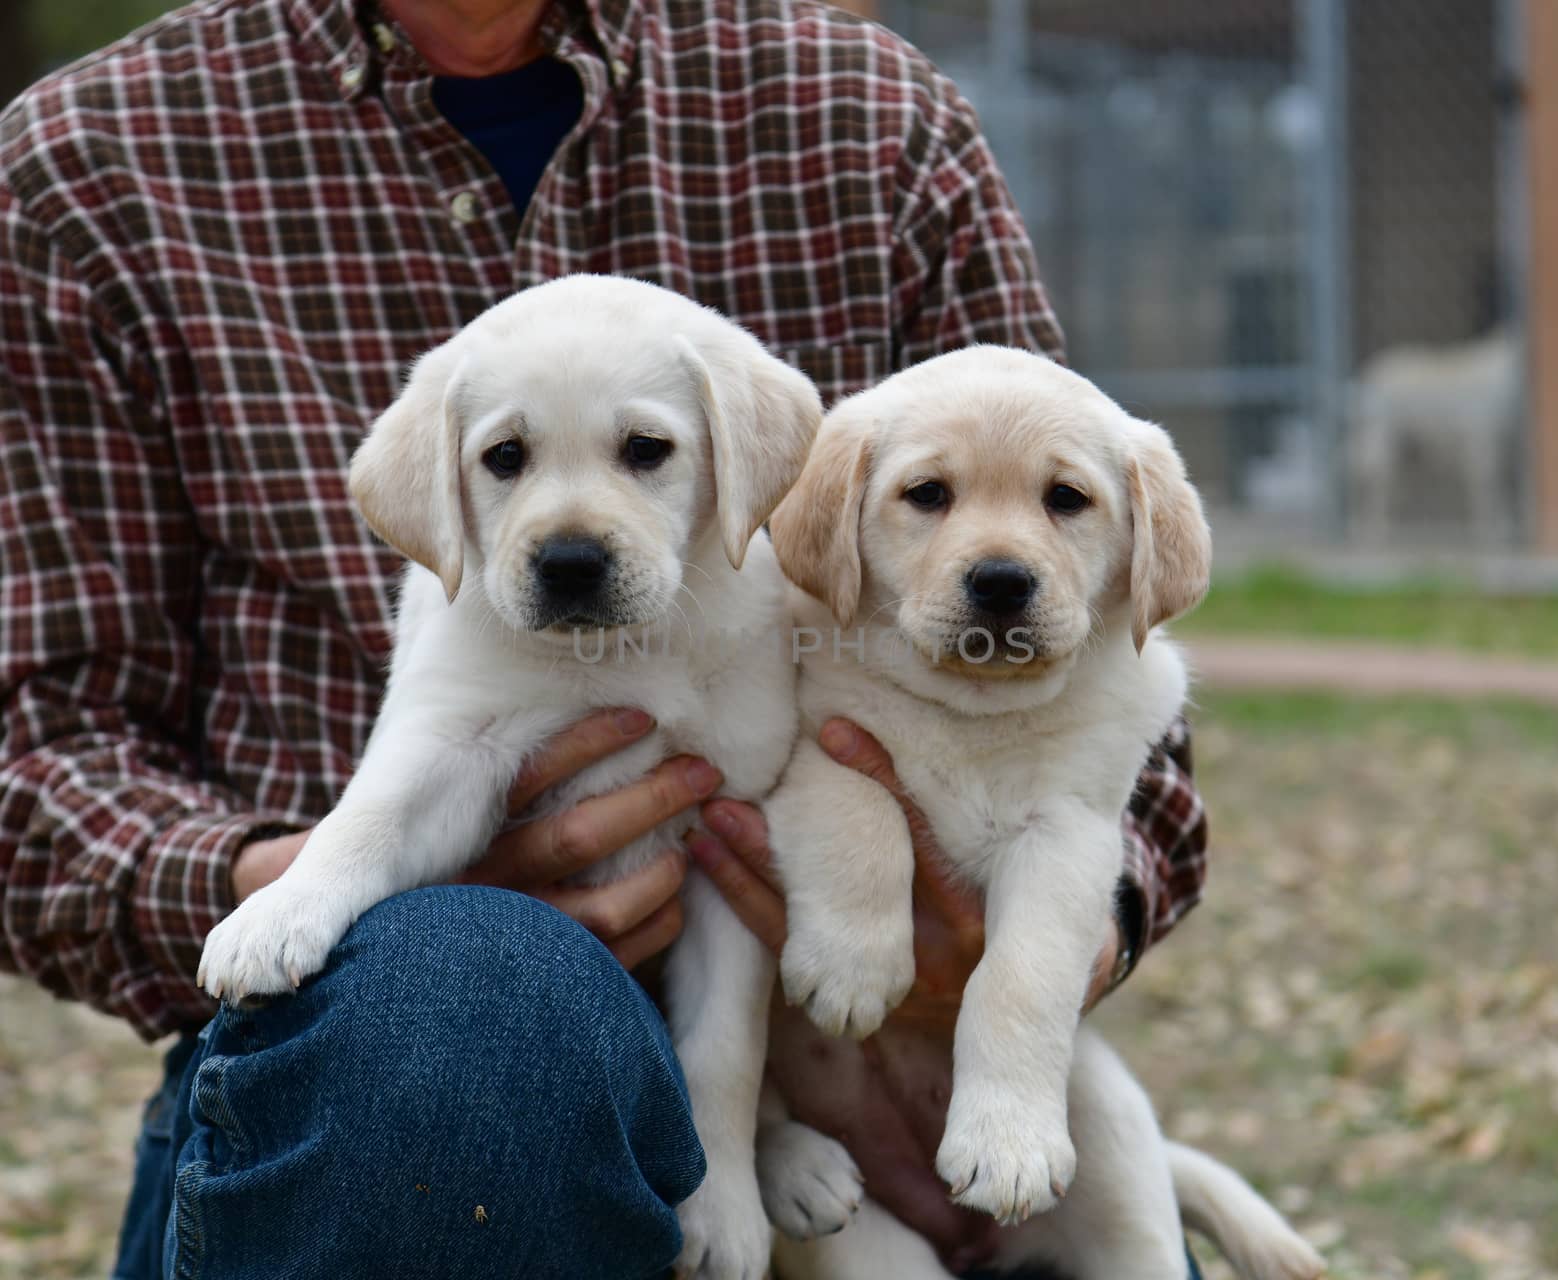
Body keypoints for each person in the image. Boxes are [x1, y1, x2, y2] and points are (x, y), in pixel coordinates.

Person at [0, 0, 1208, 1276]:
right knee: (462, 991)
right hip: (336, 1112)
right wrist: (309, 888)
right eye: (506, 461)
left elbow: (1108, 700)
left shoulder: (871, 124)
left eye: (648, 452)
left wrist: (993, 958)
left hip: (837, 1090)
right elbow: (28, 771)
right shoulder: (91, 162)